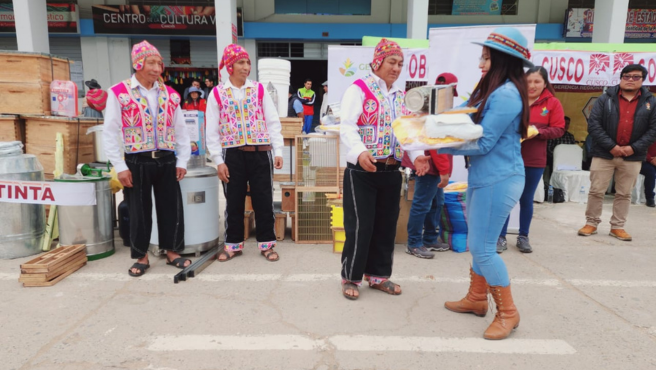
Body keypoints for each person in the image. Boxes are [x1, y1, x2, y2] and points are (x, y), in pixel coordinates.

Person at [438, 28, 532, 340]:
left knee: (482, 247)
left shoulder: (506, 95)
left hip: (499, 179)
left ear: (503, 59)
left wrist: (440, 144)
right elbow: (460, 113)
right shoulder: (489, 89)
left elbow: (484, 143)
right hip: (484, 178)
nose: (481, 62)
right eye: (482, 55)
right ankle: (477, 299)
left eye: (487, 57)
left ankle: (508, 312)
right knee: (480, 244)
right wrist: (430, 121)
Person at [339, 38, 422, 300]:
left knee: (386, 225)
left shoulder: (401, 96)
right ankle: (351, 277)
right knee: (360, 225)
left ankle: (378, 276)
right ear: (377, 62)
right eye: (391, 62)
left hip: (391, 170)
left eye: (400, 63)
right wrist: (360, 151)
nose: (397, 68)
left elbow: (408, 131)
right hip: (363, 171)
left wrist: (418, 155)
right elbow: (348, 126)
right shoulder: (359, 88)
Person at [103, 40, 192, 277]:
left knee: (171, 207)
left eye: (159, 63)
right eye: (151, 63)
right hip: (136, 159)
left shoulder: (170, 94)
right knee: (139, 209)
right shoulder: (119, 92)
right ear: (138, 64)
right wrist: (120, 166)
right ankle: (141, 255)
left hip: (166, 158)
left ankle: (172, 251)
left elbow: (181, 130)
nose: (157, 68)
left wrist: (182, 160)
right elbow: (110, 132)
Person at [206, 44, 284, 262]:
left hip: (260, 152)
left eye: (248, 62)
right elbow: (211, 130)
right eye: (241, 62)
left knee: (264, 199)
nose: (246, 67)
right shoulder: (217, 94)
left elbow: (272, 121)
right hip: (232, 155)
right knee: (233, 200)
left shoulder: (258, 90)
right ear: (229, 66)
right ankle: (232, 244)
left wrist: (278, 150)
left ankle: (267, 244)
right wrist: (218, 161)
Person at [578, 64, 656, 241]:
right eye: (626, 76)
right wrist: (612, 146)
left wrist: (633, 148)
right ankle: (591, 223)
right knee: (597, 190)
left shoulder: (652, 102)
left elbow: (653, 130)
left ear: (643, 80)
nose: (630, 79)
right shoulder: (605, 99)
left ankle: (617, 226)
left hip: (633, 156)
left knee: (624, 193)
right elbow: (594, 125)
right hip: (604, 153)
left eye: (636, 77)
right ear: (621, 78)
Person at [497, 66, 565, 254]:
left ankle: (523, 236)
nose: (532, 85)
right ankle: (500, 237)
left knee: (526, 199)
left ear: (545, 83)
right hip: (508, 157)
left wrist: (537, 132)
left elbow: (559, 129)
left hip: (534, 159)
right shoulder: (514, 100)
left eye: (537, 81)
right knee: (505, 199)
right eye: (529, 81)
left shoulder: (552, 103)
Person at [401, 150, 452, 259]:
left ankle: (430, 239)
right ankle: (413, 243)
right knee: (422, 205)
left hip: (433, 163)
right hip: (428, 163)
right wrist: (444, 170)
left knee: (437, 202)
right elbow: (436, 146)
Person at [545, 116, 577, 189]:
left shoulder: (570, 136)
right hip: (554, 159)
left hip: (568, 159)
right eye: (564, 123)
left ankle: (570, 187)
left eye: (568, 124)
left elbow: (574, 149)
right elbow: (549, 148)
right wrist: (558, 157)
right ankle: (553, 186)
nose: (566, 125)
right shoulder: (554, 134)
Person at [640, 142, 656, 207]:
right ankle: (650, 198)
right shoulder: (651, 134)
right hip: (644, 160)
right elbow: (641, 148)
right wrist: (650, 159)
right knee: (650, 172)